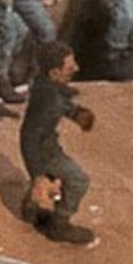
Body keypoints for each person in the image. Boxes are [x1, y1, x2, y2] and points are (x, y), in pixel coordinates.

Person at [14, 38, 98, 247]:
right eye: (69, 67)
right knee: (78, 180)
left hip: (45, 144)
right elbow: (33, 138)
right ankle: (59, 224)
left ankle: (34, 210)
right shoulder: (50, 100)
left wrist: (74, 109)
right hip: (43, 150)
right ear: (54, 73)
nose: (76, 68)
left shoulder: (44, 85)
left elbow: (60, 98)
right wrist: (38, 173)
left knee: (52, 177)